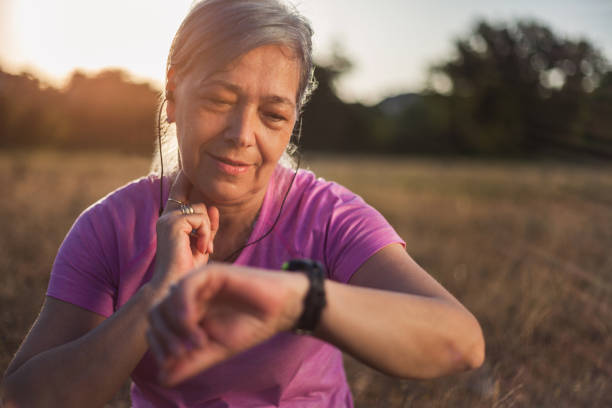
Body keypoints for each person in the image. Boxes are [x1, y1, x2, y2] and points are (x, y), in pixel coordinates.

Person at [1, 0, 485, 406]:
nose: (241, 136)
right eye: (218, 100)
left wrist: (298, 301)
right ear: (173, 94)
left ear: (293, 121)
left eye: (273, 114)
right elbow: (21, 397)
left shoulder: (329, 216)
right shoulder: (111, 226)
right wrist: (155, 297)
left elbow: (461, 343)